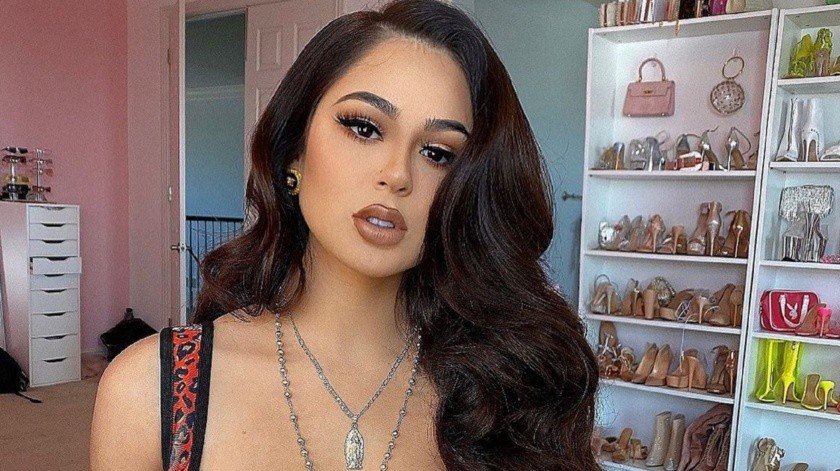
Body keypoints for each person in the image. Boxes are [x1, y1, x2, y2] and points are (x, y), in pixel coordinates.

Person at [90, 0, 598, 469]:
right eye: (364, 128)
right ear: (294, 150)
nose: (397, 174)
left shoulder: (505, 395)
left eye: (437, 153)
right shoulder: (151, 392)